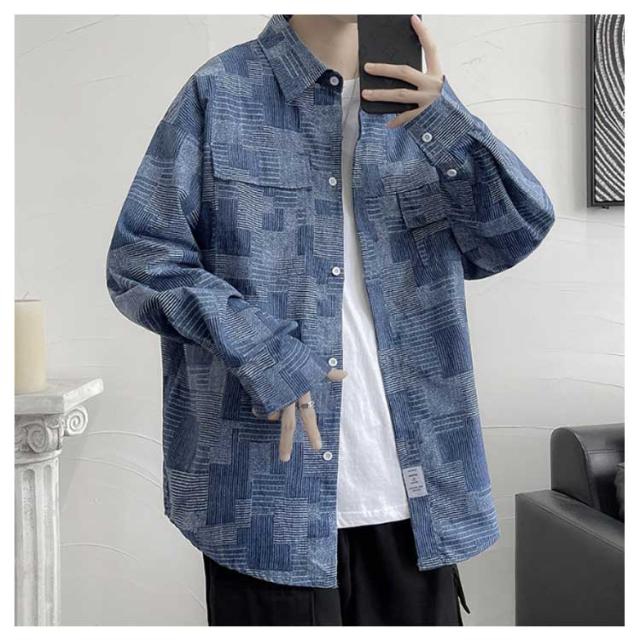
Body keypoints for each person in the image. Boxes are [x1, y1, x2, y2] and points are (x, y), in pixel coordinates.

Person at [106, 14, 554, 626]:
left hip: (417, 496)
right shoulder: (221, 92)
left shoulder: (423, 115)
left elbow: (512, 236)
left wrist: (447, 124)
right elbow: (141, 260)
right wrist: (266, 353)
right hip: (267, 506)